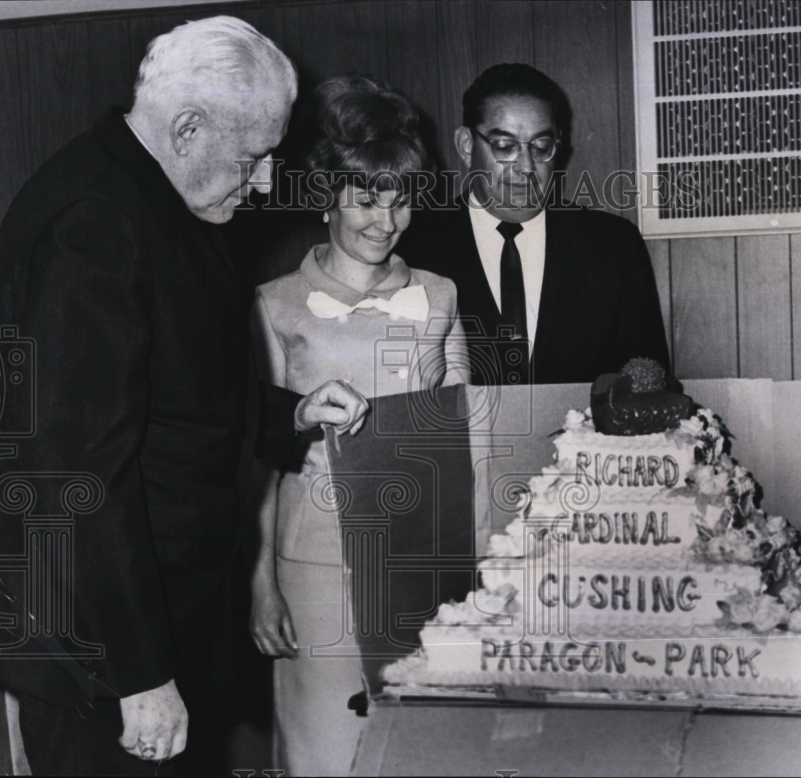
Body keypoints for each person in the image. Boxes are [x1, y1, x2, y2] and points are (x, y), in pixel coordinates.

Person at [0, 17, 367, 776]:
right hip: (101, 653)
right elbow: (78, 469)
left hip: (155, 625)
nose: (265, 181)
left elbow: (165, 397)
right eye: (253, 157)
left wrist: (290, 414)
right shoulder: (96, 225)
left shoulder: (157, 195)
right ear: (187, 129)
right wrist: (141, 676)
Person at [248, 74, 468, 776]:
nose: (385, 218)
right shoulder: (273, 303)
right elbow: (257, 457)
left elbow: (469, 436)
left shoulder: (438, 295)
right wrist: (261, 584)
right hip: (314, 563)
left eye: (400, 198)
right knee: (324, 748)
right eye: (365, 197)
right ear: (327, 195)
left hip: (420, 555)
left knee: (419, 747)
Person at [397, 63, 671, 385]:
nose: (526, 166)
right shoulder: (412, 243)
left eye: (541, 147)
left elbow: (648, 383)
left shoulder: (613, 245)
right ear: (466, 146)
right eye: (504, 146)